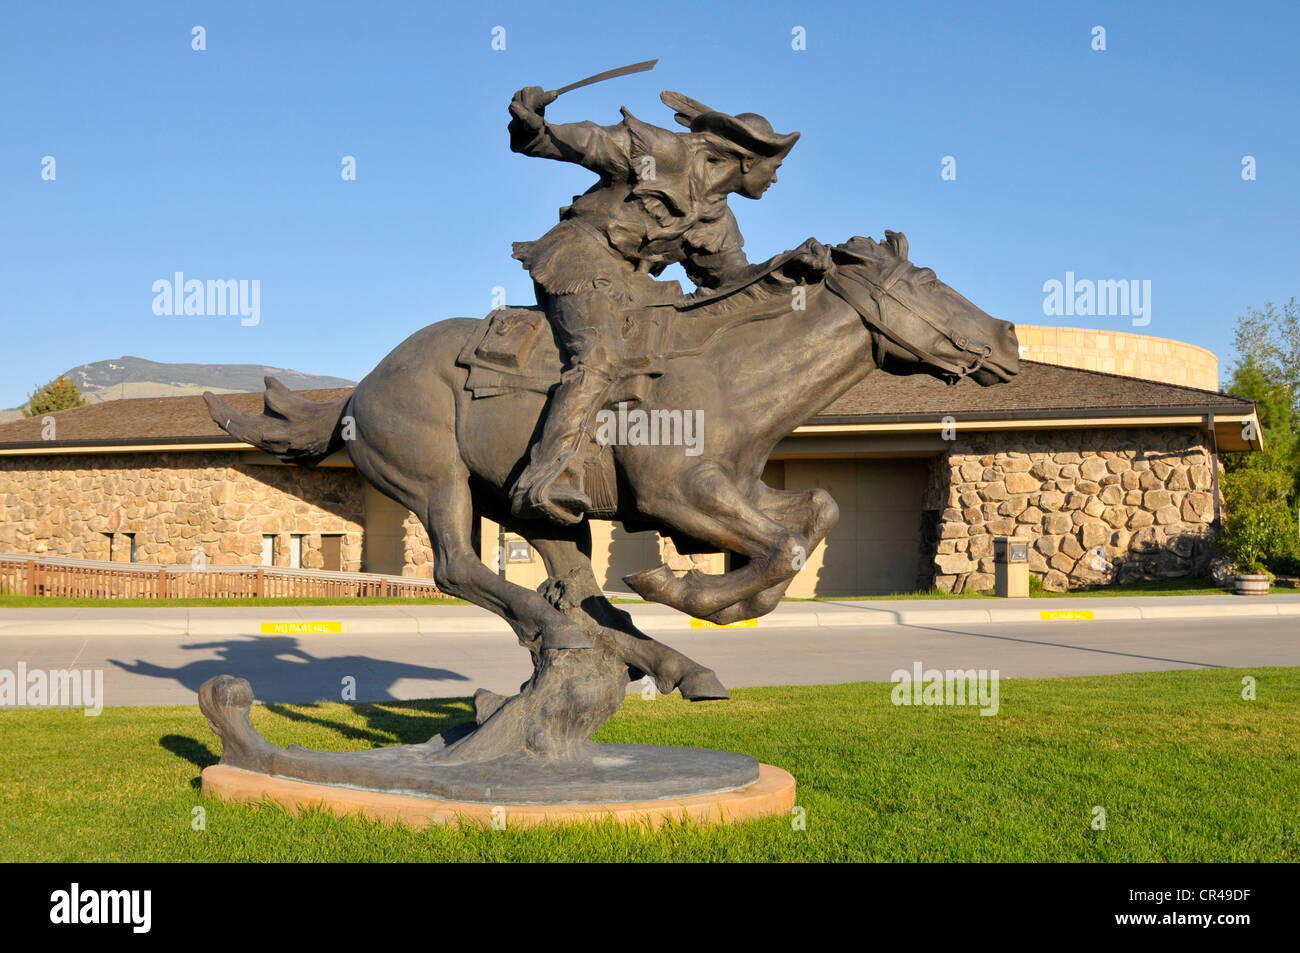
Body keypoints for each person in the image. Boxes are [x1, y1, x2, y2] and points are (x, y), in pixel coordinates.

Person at [507, 85, 823, 525]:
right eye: (776, 166)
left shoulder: (718, 220)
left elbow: (730, 279)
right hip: (581, 259)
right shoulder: (662, 152)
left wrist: (789, 266)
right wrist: (538, 127)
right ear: (749, 159)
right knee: (599, 356)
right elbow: (594, 142)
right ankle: (549, 474)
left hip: (633, 287)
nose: (776, 178)